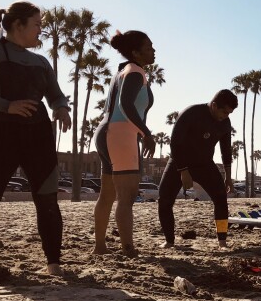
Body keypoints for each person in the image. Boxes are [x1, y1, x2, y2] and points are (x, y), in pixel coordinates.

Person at [0, 1, 71, 276]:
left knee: (48, 201)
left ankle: (53, 264)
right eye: (37, 24)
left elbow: (55, 93)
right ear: (18, 25)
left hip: (38, 135)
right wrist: (6, 105)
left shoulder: (41, 61)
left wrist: (61, 108)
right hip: (0, 135)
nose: (40, 30)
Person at [93, 30, 156, 256]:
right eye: (148, 47)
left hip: (105, 131)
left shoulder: (122, 72)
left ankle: (100, 247)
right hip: (121, 135)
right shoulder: (135, 72)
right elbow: (126, 105)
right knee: (126, 197)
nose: (154, 50)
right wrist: (146, 133)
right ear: (136, 53)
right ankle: (128, 248)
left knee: (107, 195)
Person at [158, 90, 238, 249]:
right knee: (164, 199)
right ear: (214, 105)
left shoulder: (225, 123)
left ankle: (222, 241)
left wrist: (228, 177)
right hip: (179, 161)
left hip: (204, 164)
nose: (226, 116)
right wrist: (183, 170)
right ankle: (169, 241)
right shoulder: (191, 113)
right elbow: (175, 143)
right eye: (224, 111)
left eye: (229, 113)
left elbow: (226, 151)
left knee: (221, 198)